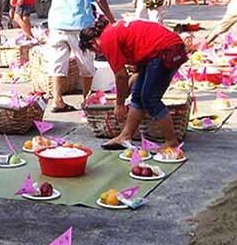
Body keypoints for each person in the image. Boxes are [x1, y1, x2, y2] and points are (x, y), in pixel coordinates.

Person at [79, 18, 187, 149]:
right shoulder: (111, 30)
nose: (98, 53)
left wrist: (119, 104)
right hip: (161, 50)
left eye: (94, 51)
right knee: (137, 95)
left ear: (93, 43)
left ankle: (171, 141)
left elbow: (121, 76)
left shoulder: (107, 40)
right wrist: (136, 76)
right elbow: (138, 47)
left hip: (166, 50)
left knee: (150, 99)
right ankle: (125, 136)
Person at [47, 0, 116, 113]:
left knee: (57, 63)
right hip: (81, 23)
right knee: (86, 64)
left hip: (57, 21)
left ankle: (57, 100)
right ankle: (86, 101)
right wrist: (111, 19)